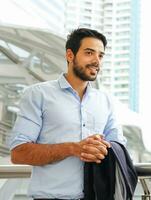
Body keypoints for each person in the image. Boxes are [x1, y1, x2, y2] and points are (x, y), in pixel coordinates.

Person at [10, 28, 126, 200]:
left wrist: (104, 148)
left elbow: (119, 148)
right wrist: (73, 148)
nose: (96, 61)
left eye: (100, 55)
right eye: (89, 53)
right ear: (70, 56)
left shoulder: (105, 101)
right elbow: (18, 153)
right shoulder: (38, 94)